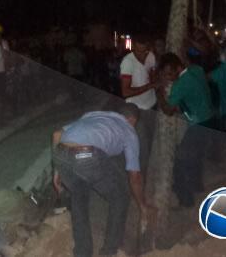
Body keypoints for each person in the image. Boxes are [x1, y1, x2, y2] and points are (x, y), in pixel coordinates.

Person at [51, 103, 153, 257]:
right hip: (87, 155)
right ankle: (109, 252)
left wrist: (57, 171)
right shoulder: (128, 130)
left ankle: (82, 253)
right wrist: (142, 205)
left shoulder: (92, 116)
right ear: (132, 120)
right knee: (120, 197)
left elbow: (56, 135)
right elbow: (135, 176)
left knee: (79, 197)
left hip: (60, 155)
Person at [157, 52, 213, 207]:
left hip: (198, 124)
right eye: (165, 75)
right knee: (196, 155)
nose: (169, 78)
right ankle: (196, 185)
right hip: (208, 119)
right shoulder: (196, 70)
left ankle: (185, 199)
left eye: (170, 73)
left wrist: (159, 94)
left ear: (178, 68)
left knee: (180, 161)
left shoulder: (180, 84)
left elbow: (168, 110)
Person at [119, 36, 157, 173]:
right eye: (139, 51)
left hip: (151, 105)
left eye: (144, 51)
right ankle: (141, 174)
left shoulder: (151, 56)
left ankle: (146, 171)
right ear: (133, 46)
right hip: (136, 109)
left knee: (151, 140)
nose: (142, 54)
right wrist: (150, 86)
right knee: (142, 146)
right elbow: (125, 92)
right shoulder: (127, 62)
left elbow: (152, 75)